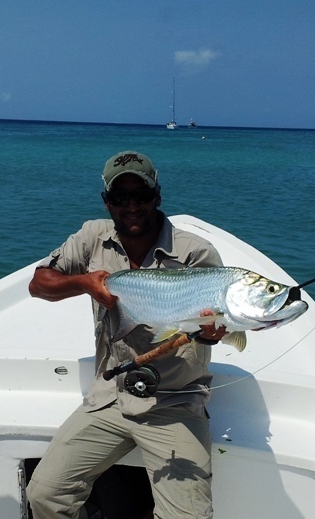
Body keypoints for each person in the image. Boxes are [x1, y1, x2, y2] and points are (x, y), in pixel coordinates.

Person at [26, 151, 227, 519]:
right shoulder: (92, 237)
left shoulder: (196, 253)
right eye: (120, 198)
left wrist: (213, 333)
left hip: (174, 403)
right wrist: (84, 282)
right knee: (44, 494)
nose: (131, 206)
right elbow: (40, 284)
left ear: (158, 196)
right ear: (107, 202)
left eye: (142, 195)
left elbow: (215, 327)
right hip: (109, 397)